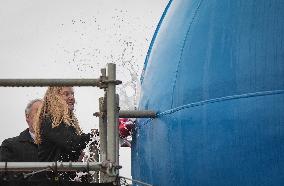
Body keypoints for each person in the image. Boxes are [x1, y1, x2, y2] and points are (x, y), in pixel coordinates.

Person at [34, 87, 92, 163]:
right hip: (53, 173)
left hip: (61, 171)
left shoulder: (66, 122)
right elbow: (72, 143)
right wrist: (94, 136)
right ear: (54, 98)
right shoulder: (51, 121)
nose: (71, 97)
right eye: (66, 94)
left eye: (72, 94)